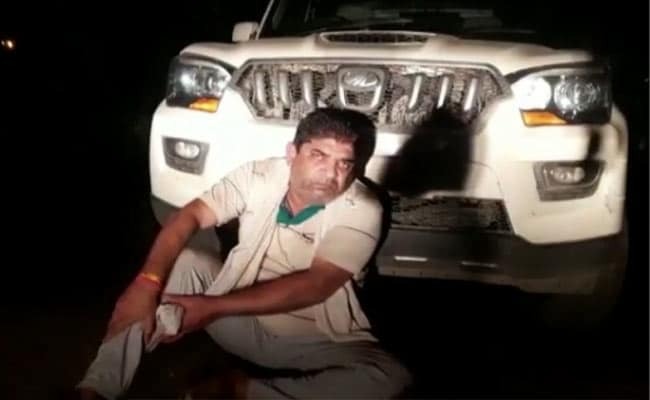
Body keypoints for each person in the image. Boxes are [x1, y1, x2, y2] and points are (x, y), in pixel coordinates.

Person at [76, 107, 412, 399]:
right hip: (234, 320)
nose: (331, 174)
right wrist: (146, 284)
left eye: (343, 164)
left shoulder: (362, 206)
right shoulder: (258, 175)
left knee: (390, 377)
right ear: (292, 153)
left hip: (313, 338)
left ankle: (241, 390)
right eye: (318, 156)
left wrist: (210, 307)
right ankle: (96, 388)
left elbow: (318, 283)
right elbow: (191, 215)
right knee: (187, 264)